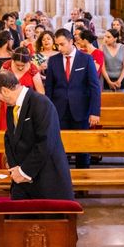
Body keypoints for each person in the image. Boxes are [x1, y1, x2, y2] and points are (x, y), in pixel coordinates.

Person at [0, 70, 74, 200]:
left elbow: (45, 143)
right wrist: (14, 168)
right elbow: (9, 137)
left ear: (5, 90)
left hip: (46, 180)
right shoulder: (12, 106)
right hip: (21, 181)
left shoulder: (41, 103)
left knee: (42, 220)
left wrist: (24, 171)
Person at [45, 28, 101, 169]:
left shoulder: (86, 59)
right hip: (59, 110)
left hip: (81, 110)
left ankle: (83, 184)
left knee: (82, 149)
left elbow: (94, 87)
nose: (59, 48)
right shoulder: (53, 60)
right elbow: (49, 89)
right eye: (57, 45)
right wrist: (48, 113)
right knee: (59, 148)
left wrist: (95, 112)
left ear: (71, 42)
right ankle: (62, 181)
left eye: (62, 44)